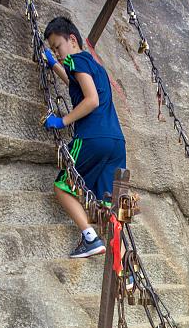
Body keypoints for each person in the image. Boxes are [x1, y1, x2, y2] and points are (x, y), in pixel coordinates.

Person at [42, 17, 126, 258]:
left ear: (72, 39)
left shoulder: (76, 60)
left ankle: (90, 238)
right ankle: (123, 267)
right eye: (54, 50)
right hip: (116, 143)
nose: (57, 53)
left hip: (91, 138)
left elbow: (91, 100)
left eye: (57, 47)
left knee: (62, 186)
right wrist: (54, 65)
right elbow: (76, 85)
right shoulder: (95, 66)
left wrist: (63, 120)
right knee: (108, 204)